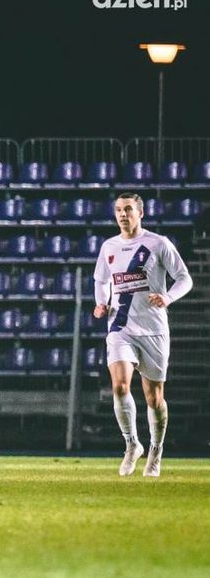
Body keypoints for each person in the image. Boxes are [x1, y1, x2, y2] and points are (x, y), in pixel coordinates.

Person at [93, 192, 191, 478]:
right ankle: (132, 444)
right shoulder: (108, 246)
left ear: (140, 213)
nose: (122, 214)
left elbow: (185, 277)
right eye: (118, 210)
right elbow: (101, 280)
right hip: (120, 326)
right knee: (120, 386)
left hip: (153, 330)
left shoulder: (158, 244)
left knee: (154, 398)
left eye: (127, 209)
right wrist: (102, 301)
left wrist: (168, 297)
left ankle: (156, 450)